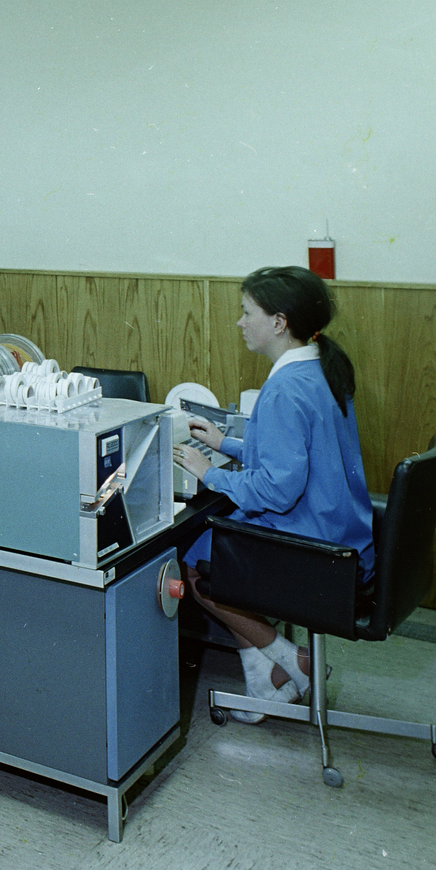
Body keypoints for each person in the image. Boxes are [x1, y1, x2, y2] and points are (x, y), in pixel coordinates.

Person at [173, 266, 373, 723]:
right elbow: (302, 455)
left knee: (194, 561)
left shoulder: (284, 388)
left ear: (279, 322)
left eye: (247, 313)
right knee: (213, 543)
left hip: (315, 549)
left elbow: (277, 491)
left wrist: (209, 472)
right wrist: (227, 445)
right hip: (343, 536)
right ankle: (267, 676)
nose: (240, 323)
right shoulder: (320, 366)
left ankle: (292, 662)